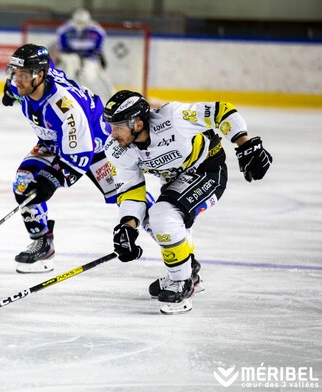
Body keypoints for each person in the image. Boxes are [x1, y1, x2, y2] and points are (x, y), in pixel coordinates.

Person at [103, 90, 273, 315]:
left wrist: (244, 145)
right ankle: (188, 268)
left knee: (163, 214)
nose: (112, 134)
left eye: (118, 127)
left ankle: (181, 282)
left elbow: (221, 111)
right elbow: (131, 190)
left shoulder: (174, 118)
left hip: (208, 170)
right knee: (152, 219)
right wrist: (127, 227)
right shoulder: (117, 150)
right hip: (178, 180)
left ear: (138, 123)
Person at [1, 43, 116, 274]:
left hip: (94, 142)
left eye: (23, 75)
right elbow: (39, 66)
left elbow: (80, 154)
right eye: (15, 73)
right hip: (53, 141)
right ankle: (43, 245)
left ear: (39, 76)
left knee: (131, 199)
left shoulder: (64, 107)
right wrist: (10, 91)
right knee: (24, 183)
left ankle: (179, 254)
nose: (16, 80)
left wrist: (50, 181)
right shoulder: (31, 82)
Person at [54, 8, 115, 101]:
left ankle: (108, 98)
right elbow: (63, 49)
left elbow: (98, 49)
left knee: (93, 77)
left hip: (89, 59)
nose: (79, 24)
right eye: (78, 22)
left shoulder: (97, 31)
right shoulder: (65, 30)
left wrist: (96, 57)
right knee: (68, 70)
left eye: (82, 22)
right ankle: (62, 93)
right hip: (71, 58)